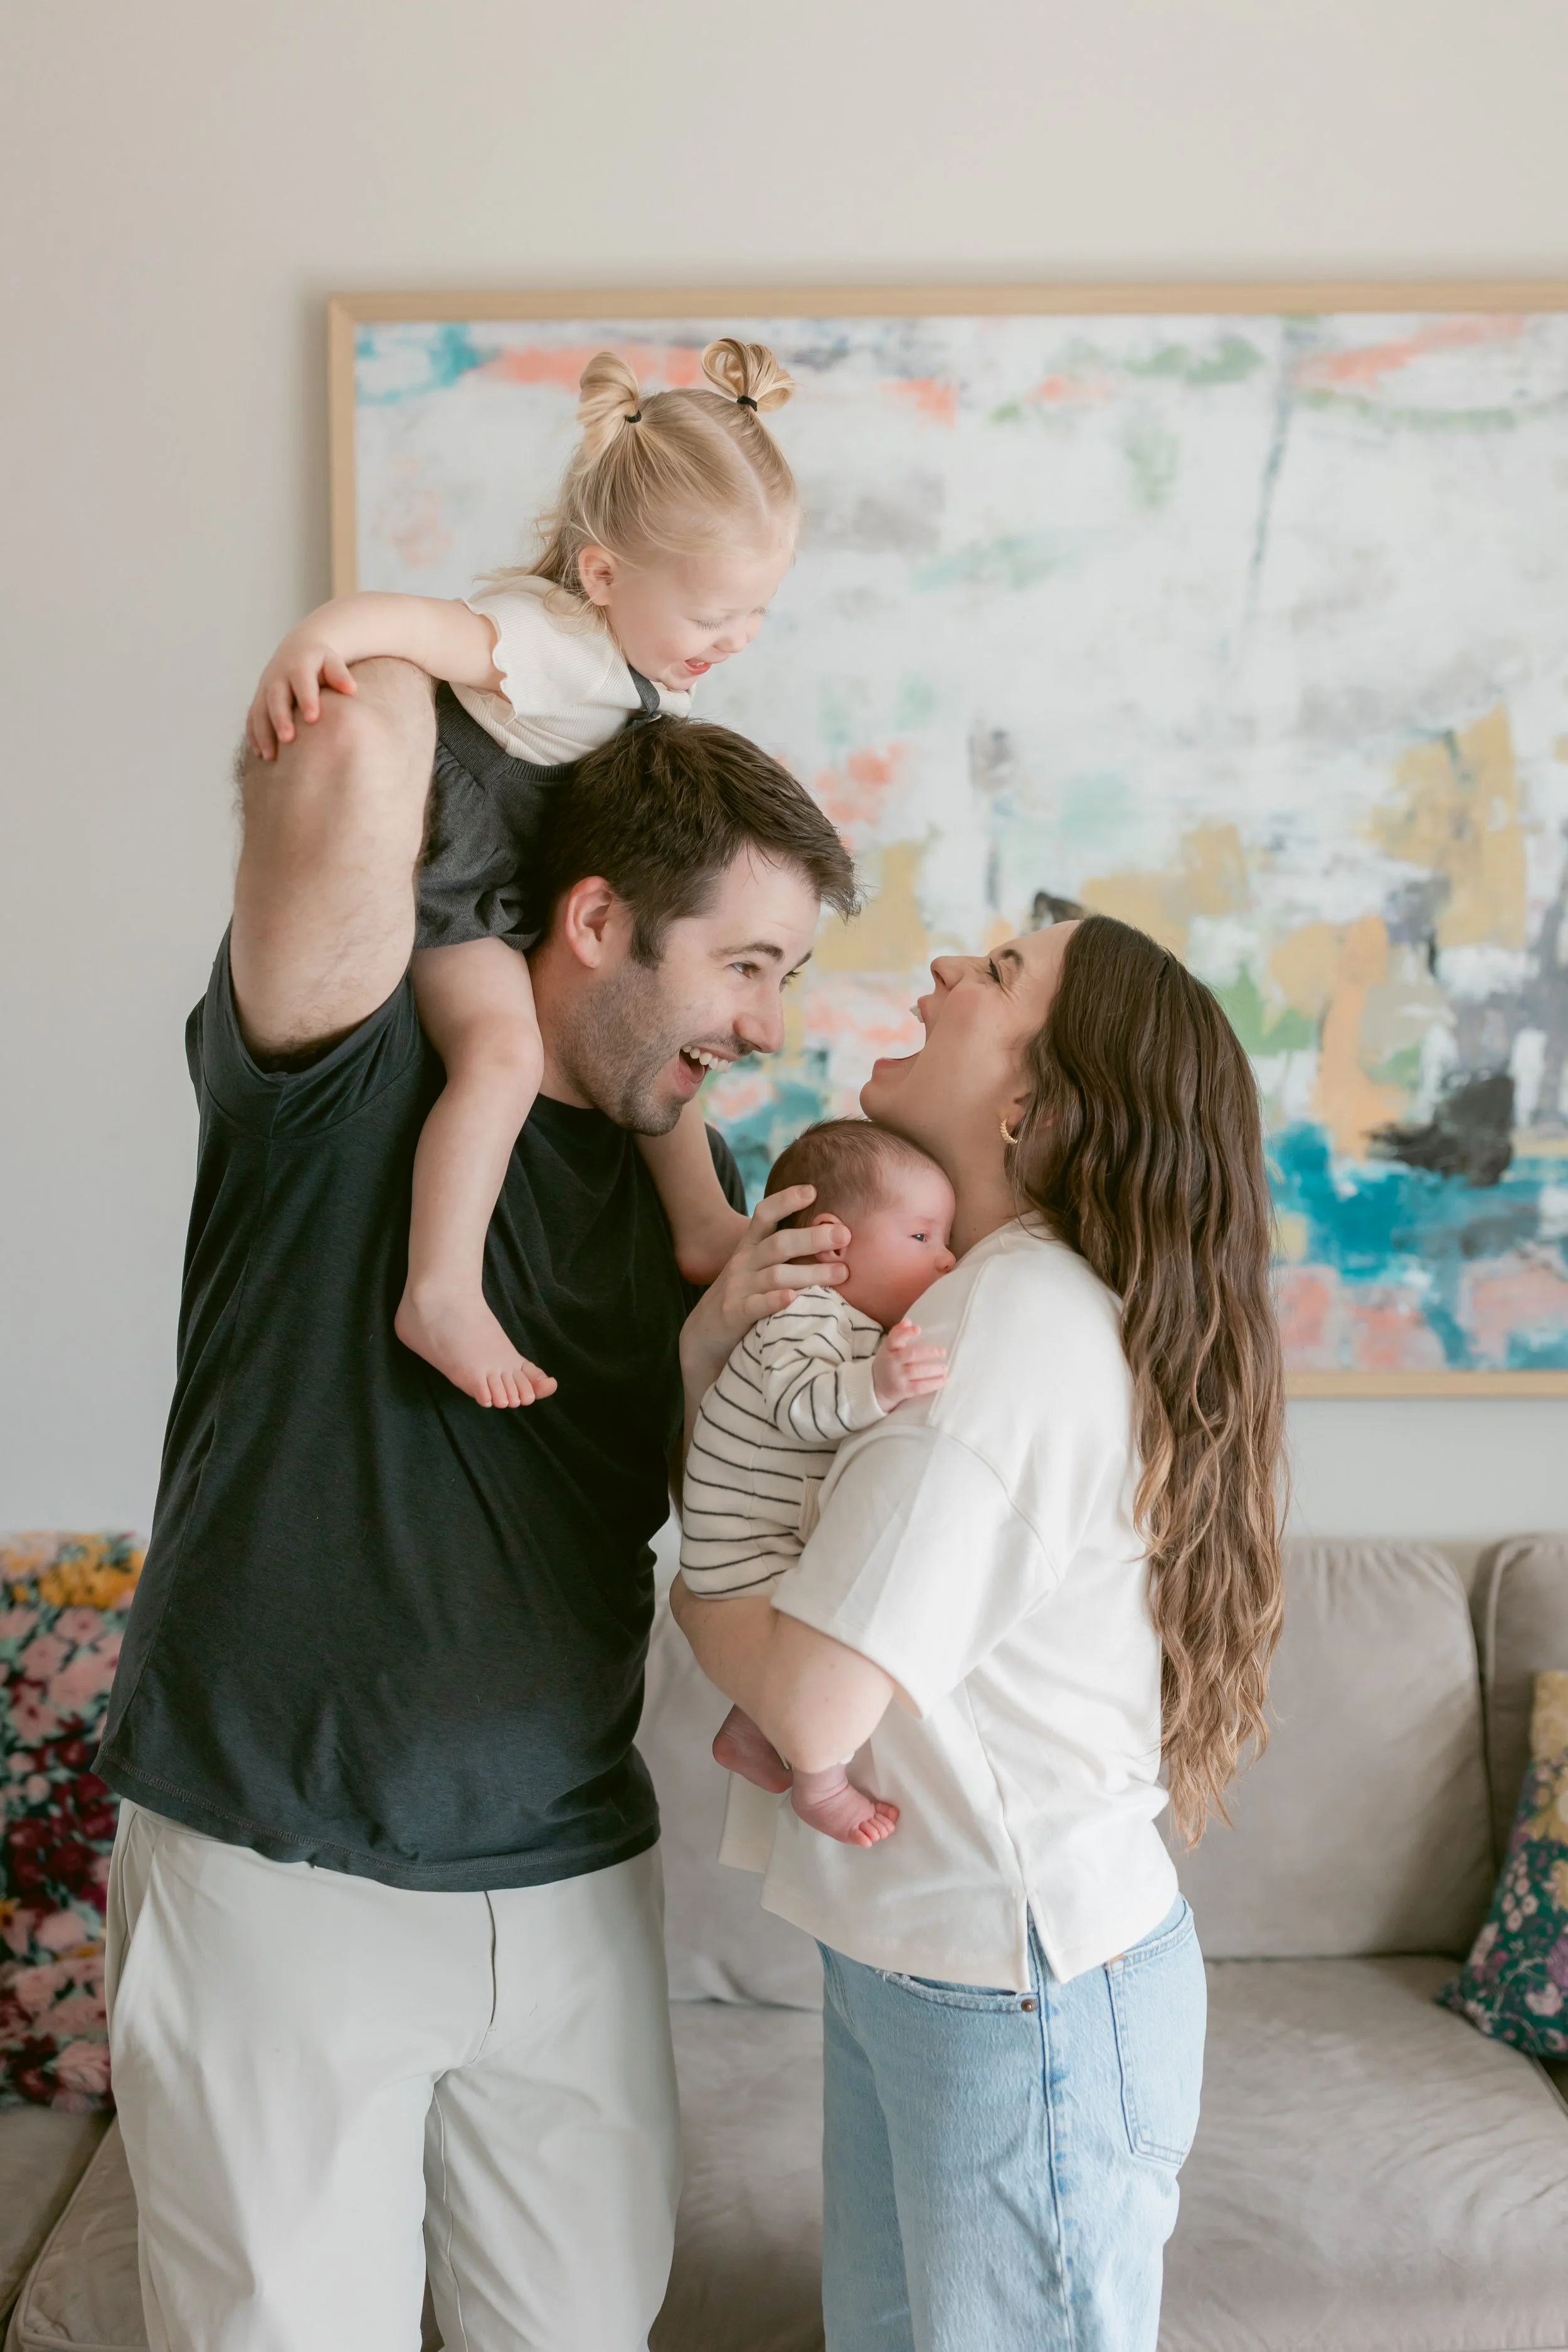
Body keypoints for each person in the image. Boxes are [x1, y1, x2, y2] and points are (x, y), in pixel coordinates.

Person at [95, 659, 857, 2352]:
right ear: (593, 918)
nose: (764, 1023)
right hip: (277, 1857)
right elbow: (359, 730)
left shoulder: (694, 1191)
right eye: (742, 963)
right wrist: (586, 679)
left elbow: (649, 1497)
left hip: (569, 1864)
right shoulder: (344, 1077)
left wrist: (720, 1355)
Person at [671, 913, 1287, 2352]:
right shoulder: (967, 1305)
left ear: (1035, 1102)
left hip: (1015, 1991)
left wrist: (697, 1582)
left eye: (999, 973)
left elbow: (811, 1707)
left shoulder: (1007, 1319)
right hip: (937, 1960)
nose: (948, 965)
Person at [245, 338, 798, 1408]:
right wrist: (313, 645)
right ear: (602, 575)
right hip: (462, 888)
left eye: (756, 614)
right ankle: (441, 1288)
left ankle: (700, 1223)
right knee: (500, 1055)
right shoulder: (552, 641)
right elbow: (408, 625)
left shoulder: (651, 668)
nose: (734, 640)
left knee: (657, 1017)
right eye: (712, 615)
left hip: (528, 889)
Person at [682, 1118, 954, 1845]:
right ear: (835, 1242)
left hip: (762, 1545)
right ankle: (822, 1788)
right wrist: (881, 1384)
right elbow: (802, 1408)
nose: (947, 1260)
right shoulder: (799, 1316)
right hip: (738, 1552)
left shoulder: (852, 1322)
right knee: (810, 1628)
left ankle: (746, 1731)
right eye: (923, 1237)